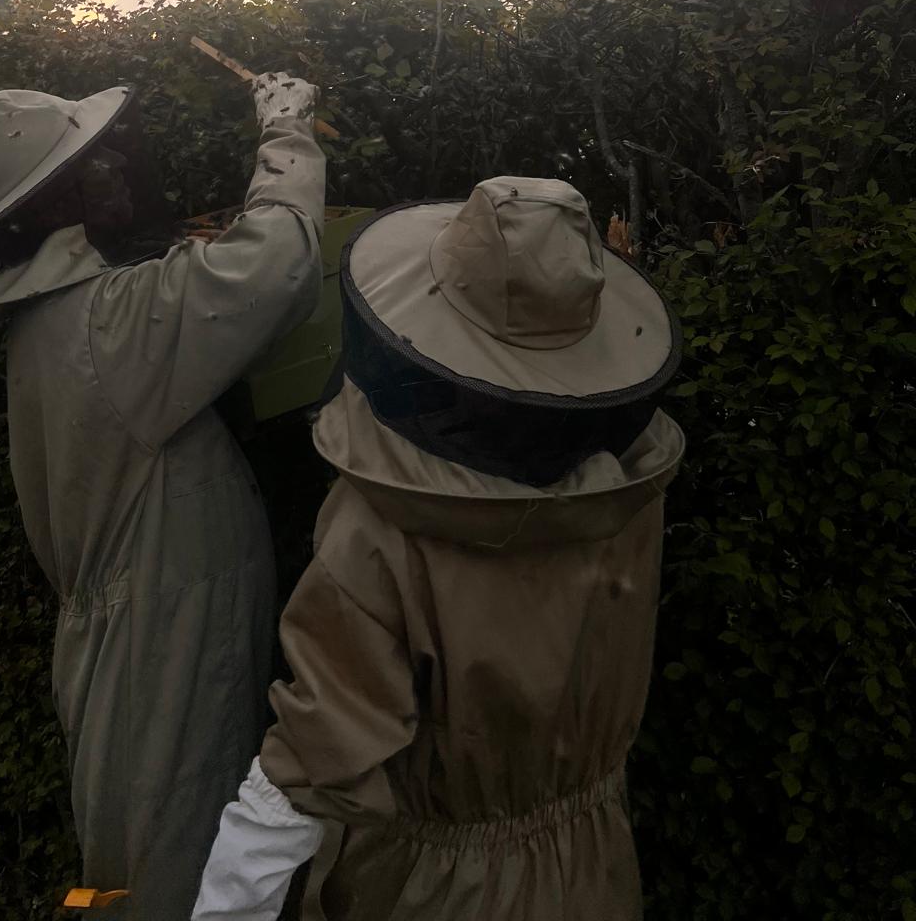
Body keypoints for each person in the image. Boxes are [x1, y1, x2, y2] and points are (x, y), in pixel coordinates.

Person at [192, 175, 686, 921]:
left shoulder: (379, 531)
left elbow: (311, 766)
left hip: (433, 888)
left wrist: (225, 902)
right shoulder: (630, 486)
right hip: (592, 868)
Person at [0, 72, 326, 920]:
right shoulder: (111, 320)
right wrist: (287, 129)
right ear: (52, 201)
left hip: (137, 629)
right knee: (169, 876)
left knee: (153, 859)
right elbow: (278, 260)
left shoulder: (57, 316)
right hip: (157, 647)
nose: (115, 170)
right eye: (89, 163)